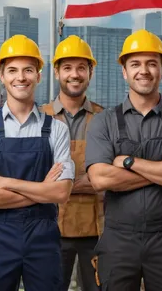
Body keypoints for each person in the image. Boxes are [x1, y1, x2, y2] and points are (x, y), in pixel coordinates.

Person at [85, 29, 162, 290]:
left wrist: (128, 162)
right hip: (118, 240)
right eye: (135, 64)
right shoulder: (104, 121)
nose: (144, 70)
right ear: (124, 71)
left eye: (152, 63)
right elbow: (100, 178)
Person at [0, 35, 73, 291]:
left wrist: (7, 183)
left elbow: (61, 192)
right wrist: (41, 190)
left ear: (39, 76)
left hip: (43, 238)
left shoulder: (57, 129)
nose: (20, 77)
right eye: (12, 70)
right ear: (1, 76)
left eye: (28, 70)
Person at [42, 35, 105, 291]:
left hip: (97, 231)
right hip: (50, 230)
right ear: (56, 72)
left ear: (90, 71)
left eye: (81, 68)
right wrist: (89, 181)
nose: (75, 74)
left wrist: (62, 185)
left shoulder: (105, 119)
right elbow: (33, 178)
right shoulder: (39, 119)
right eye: (67, 67)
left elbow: (111, 178)